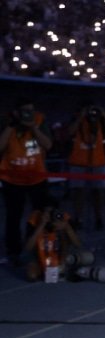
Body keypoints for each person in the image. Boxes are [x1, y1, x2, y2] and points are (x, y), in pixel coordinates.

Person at [0, 98, 53, 265]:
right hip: (12, 178)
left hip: (36, 177)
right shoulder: (7, 122)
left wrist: (33, 128)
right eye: (24, 111)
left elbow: (48, 145)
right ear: (16, 111)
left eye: (31, 110)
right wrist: (12, 125)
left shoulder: (40, 120)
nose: (28, 114)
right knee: (13, 216)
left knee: (39, 214)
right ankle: (13, 250)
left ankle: (38, 246)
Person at [67, 103, 105, 231]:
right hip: (78, 162)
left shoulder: (100, 121)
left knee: (99, 192)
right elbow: (70, 131)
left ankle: (99, 218)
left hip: (98, 162)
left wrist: (102, 113)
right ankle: (78, 218)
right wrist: (80, 117)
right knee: (78, 192)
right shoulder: (77, 120)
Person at [21, 202, 81, 283]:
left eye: (52, 212)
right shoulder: (34, 219)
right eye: (48, 212)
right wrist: (41, 225)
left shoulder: (63, 217)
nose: (50, 215)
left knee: (64, 237)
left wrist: (67, 228)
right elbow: (28, 247)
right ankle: (44, 269)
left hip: (59, 252)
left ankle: (62, 265)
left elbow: (78, 244)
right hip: (39, 254)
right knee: (31, 275)